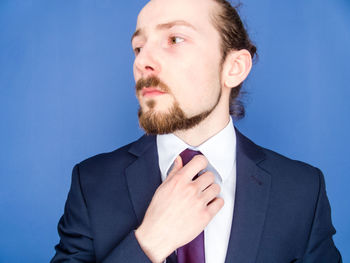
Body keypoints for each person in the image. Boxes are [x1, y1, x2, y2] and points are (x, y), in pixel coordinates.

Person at [51, 0, 342, 262]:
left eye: (175, 39)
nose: (141, 62)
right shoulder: (91, 184)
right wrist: (149, 243)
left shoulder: (303, 191)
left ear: (234, 67)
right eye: (138, 48)